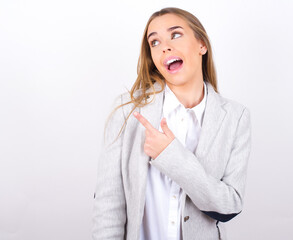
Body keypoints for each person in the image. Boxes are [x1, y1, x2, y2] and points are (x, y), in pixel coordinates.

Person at [92, 7, 251, 240]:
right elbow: (108, 206)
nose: (164, 46)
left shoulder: (236, 117)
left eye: (175, 35)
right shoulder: (127, 111)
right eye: (154, 42)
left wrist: (171, 156)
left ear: (201, 45)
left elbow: (229, 206)